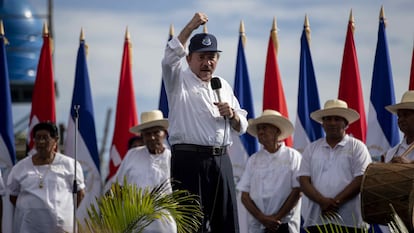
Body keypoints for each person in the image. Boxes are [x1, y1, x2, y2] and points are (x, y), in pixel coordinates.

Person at [161, 12, 248, 233]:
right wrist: (191, 26)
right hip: (189, 161)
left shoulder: (223, 85)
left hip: (220, 161)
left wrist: (234, 116)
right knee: (191, 226)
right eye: (201, 57)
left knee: (227, 223)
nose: (207, 63)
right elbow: (169, 56)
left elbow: (243, 124)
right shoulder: (177, 80)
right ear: (189, 58)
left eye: (212, 57)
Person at [298, 99, 371, 232]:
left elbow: (362, 178)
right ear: (323, 124)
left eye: (337, 119)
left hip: (350, 221)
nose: (332, 123)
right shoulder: (311, 148)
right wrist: (322, 201)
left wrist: (334, 203)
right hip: (316, 221)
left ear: (346, 123)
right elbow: (303, 180)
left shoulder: (357, 147)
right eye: (328, 119)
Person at [7, 121, 85, 233]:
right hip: (28, 228)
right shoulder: (20, 167)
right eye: (37, 138)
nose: (41, 142)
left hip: (61, 229)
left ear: (55, 140)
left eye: (45, 138)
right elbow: (13, 196)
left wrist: (61, 212)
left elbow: (80, 194)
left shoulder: (70, 164)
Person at [237, 110, 302, 233]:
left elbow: (297, 191)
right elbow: (244, 196)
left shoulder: (293, 156)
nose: (261, 132)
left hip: (284, 225)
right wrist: (263, 219)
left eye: (265, 128)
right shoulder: (253, 160)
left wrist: (276, 218)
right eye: (259, 129)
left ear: (277, 130)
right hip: (258, 226)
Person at [112, 110, 176, 233]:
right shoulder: (132, 155)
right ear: (142, 137)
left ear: (164, 133)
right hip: (135, 225)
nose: (152, 137)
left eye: (156, 132)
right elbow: (117, 188)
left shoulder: (173, 158)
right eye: (147, 134)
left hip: (166, 226)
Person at [384, 90, 414, 163]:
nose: (401, 119)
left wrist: (409, 165)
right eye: (399, 116)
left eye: (406, 115)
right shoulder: (391, 153)